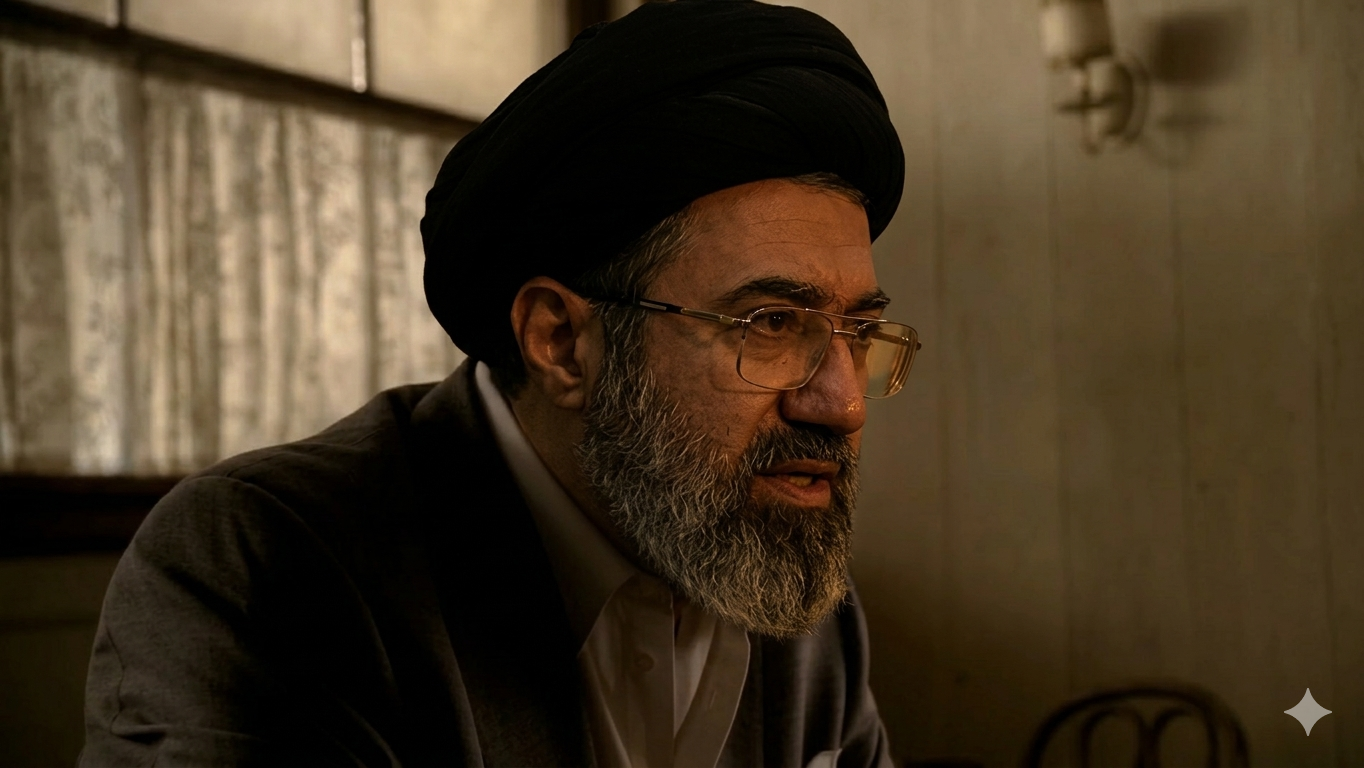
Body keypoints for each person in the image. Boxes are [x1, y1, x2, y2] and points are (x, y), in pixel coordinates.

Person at [80, 1, 917, 766]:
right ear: (561, 343)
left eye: (857, 332)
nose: (842, 403)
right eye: (771, 323)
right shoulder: (264, 565)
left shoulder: (791, 588)